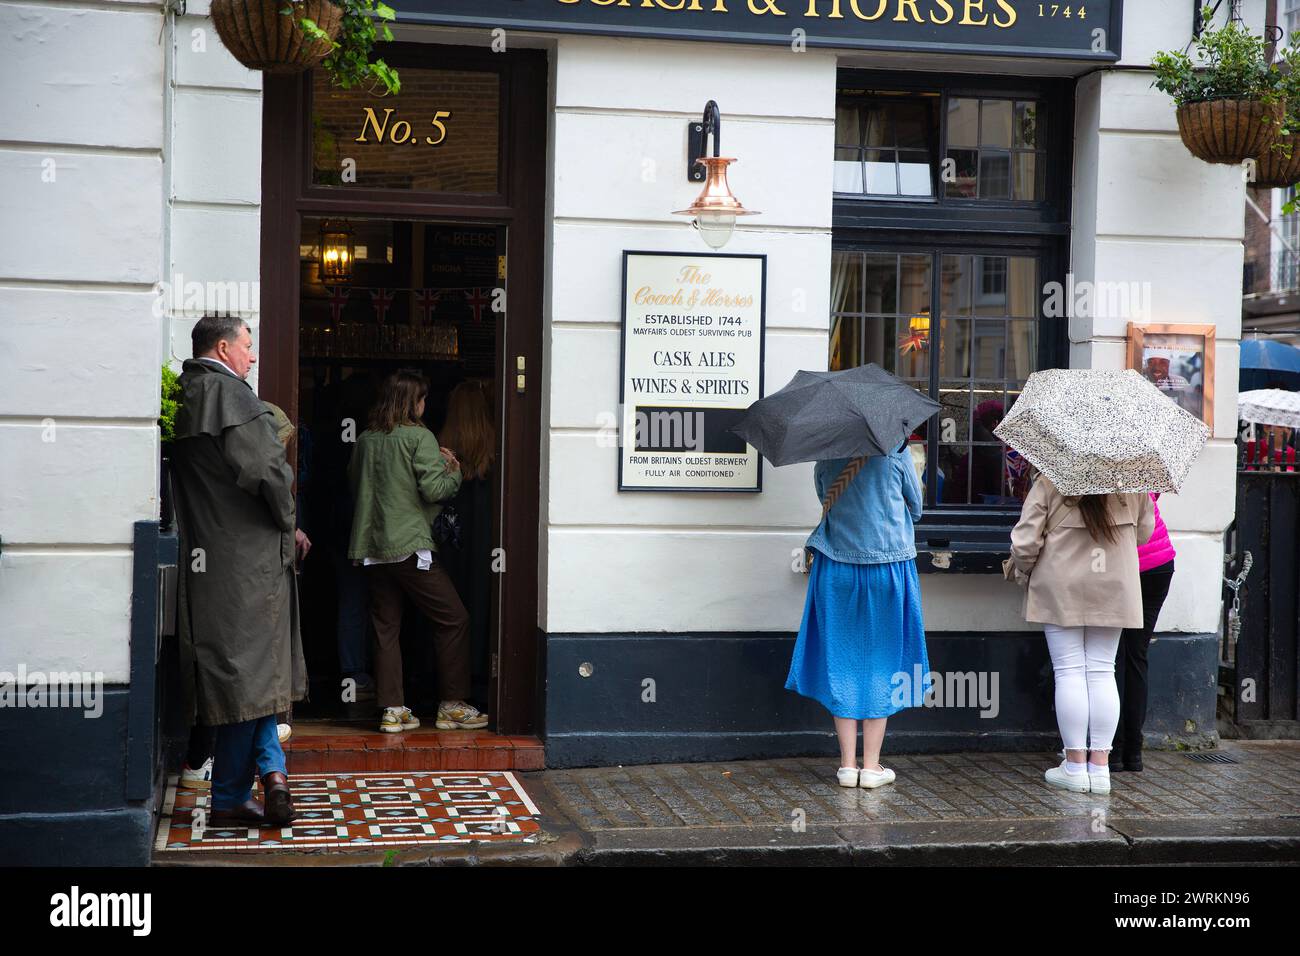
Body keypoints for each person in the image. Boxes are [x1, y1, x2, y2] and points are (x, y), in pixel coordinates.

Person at [171, 315, 307, 828]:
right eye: (248, 347)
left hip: (213, 557)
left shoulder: (187, 391)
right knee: (251, 677)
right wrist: (288, 520)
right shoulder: (231, 395)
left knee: (244, 676)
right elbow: (267, 471)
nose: (252, 357)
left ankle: (266, 778)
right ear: (225, 348)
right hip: (245, 563)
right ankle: (236, 792)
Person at [347, 370, 489, 733]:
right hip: (410, 546)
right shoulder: (419, 437)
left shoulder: (365, 439)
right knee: (453, 618)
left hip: (372, 547)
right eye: (423, 398)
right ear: (414, 401)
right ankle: (453, 704)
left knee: (385, 627)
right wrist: (454, 470)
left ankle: (393, 710)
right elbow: (434, 490)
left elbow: (355, 485)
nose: (426, 405)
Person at [785, 442, 930, 789]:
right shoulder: (896, 453)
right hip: (889, 569)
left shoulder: (827, 454)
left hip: (836, 568)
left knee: (842, 660)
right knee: (884, 662)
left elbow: (824, 497)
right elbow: (918, 508)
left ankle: (848, 765)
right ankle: (872, 766)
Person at [1009, 473, 1154, 795]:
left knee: (1069, 670)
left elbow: (1024, 543)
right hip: (1113, 583)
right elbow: (1144, 534)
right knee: (1103, 670)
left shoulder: (1050, 481)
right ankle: (1100, 768)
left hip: (1062, 584)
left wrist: (1025, 567)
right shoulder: (1134, 482)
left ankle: (1074, 766)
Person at [436, 379, 497, 705]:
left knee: (447, 613)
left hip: (449, 542)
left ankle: (444, 681)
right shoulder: (496, 453)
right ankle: (476, 678)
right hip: (484, 544)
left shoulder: (442, 450)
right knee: (480, 604)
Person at [1113, 493, 1175, 772]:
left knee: (1111, 660)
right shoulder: (1143, 462)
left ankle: (1112, 751)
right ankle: (1133, 753)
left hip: (1123, 566)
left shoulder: (1096, 472)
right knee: (1137, 656)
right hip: (1159, 564)